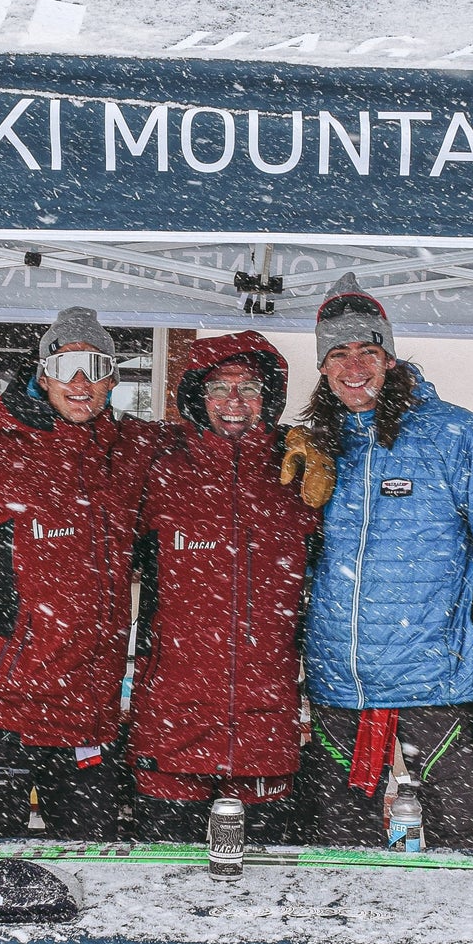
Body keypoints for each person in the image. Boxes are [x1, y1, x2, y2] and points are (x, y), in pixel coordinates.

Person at [283, 273, 473, 850]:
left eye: (368, 351)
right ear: (321, 366)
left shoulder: (451, 433)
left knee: (459, 859)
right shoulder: (313, 445)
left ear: (390, 358)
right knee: (341, 864)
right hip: (339, 689)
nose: (354, 367)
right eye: (338, 354)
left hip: (437, 690)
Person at [0, 307, 156, 838]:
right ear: (43, 377)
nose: (81, 382)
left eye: (96, 366)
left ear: (114, 378)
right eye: (66, 368)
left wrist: (295, 441)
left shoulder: (134, 455)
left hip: (90, 711)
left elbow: (216, 453)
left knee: (89, 877)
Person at [129, 332, 319, 846]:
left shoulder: (300, 475)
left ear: (269, 398)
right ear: (197, 397)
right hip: (172, 728)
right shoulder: (160, 468)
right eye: (219, 388)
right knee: (161, 894)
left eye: (249, 388)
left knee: (262, 897)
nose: (234, 401)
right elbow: (74, 439)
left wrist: (322, 443)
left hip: (265, 729)